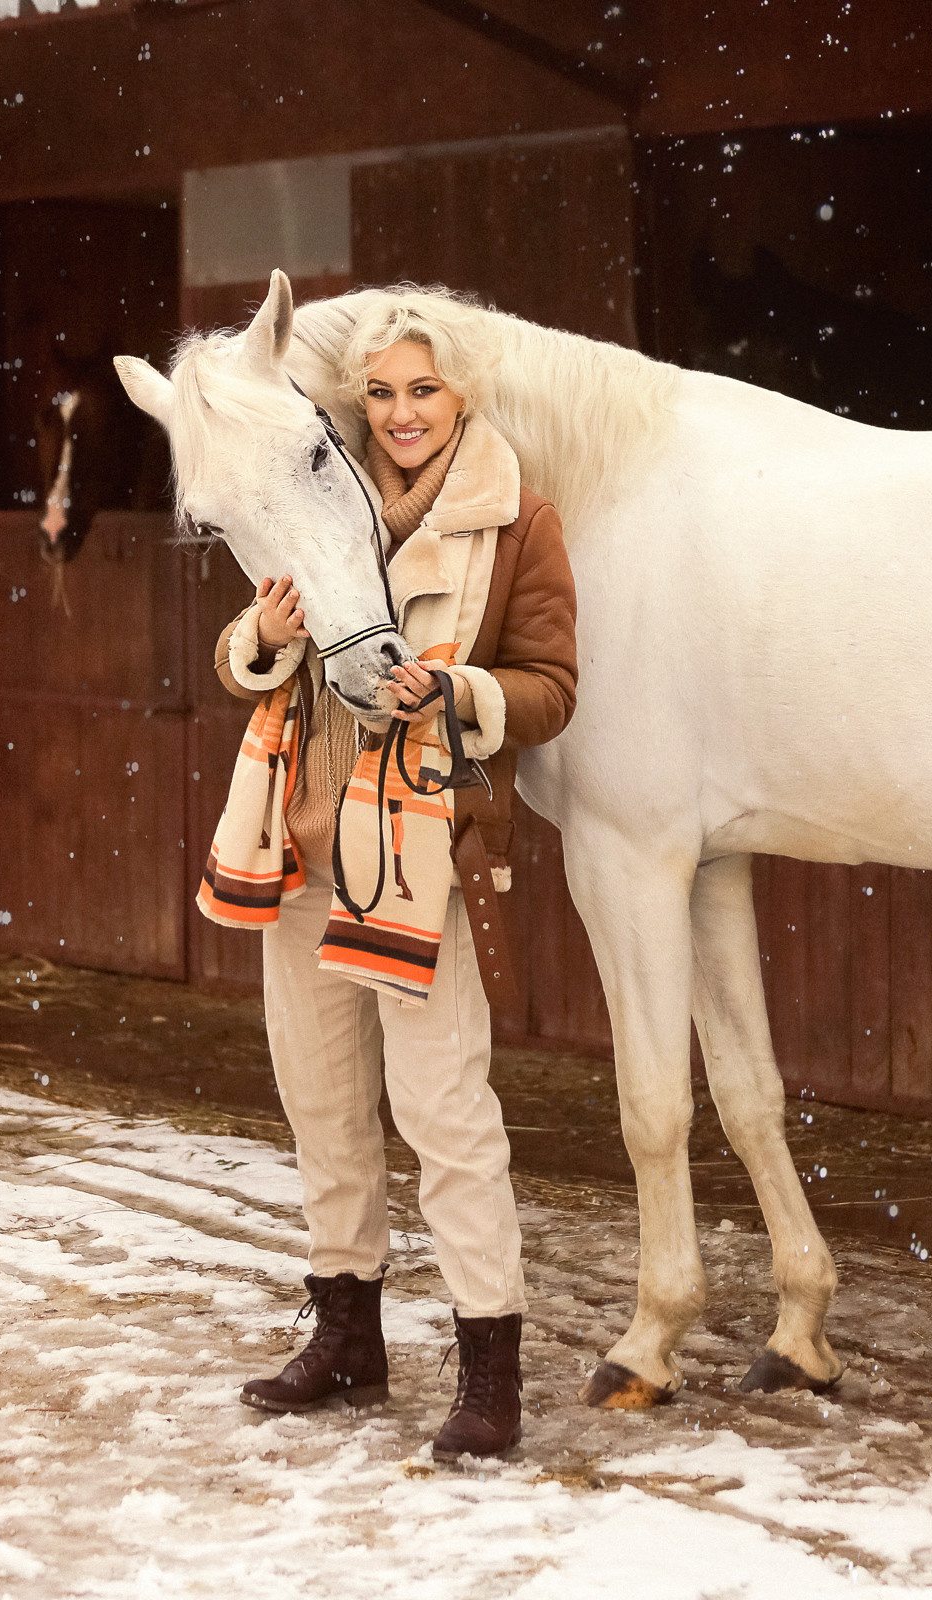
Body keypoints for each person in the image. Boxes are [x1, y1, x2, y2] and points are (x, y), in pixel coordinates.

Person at [207, 288, 577, 1457]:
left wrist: (461, 694)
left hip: (418, 850)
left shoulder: (515, 519)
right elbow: (248, 660)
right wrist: (260, 640)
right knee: (320, 1101)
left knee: (444, 1111)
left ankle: (488, 1368)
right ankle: (348, 1334)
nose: (402, 413)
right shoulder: (317, 493)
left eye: (423, 389)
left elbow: (553, 688)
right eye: (381, 392)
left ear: (462, 391)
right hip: (302, 841)